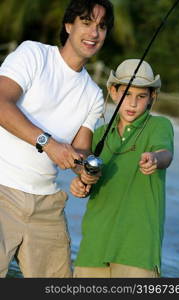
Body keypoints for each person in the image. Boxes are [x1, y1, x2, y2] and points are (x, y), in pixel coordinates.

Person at [0, 0, 114, 278]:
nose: (94, 33)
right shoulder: (34, 54)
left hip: (47, 205)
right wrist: (47, 143)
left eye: (102, 26)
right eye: (86, 23)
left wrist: (86, 171)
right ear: (68, 26)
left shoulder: (93, 94)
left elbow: (81, 150)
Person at [70, 59, 174, 278]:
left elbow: (166, 154)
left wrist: (155, 158)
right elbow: (84, 176)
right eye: (126, 94)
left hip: (137, 252)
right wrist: (80, 184)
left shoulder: (159, 126)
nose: (133, 103)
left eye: (141, 96)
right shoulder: (98, 135)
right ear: (113, 92)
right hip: (93, 248)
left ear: (151, 97)